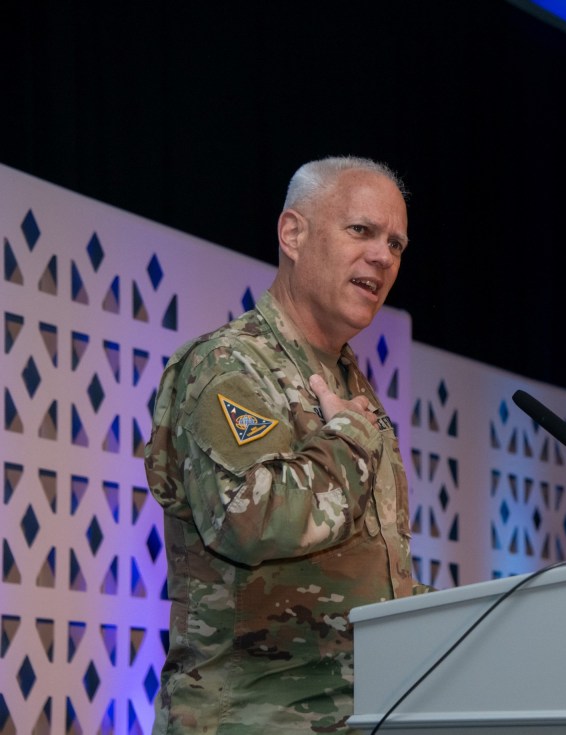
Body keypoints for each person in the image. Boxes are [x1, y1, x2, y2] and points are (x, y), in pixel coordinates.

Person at [145, 155, 433, 734]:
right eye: (362, 230)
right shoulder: (229, 365)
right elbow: (251, 519)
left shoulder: (353, 387)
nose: (383, 256)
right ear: (293, 234)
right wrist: (349, 440)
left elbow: (373, 577)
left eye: (396, 244)